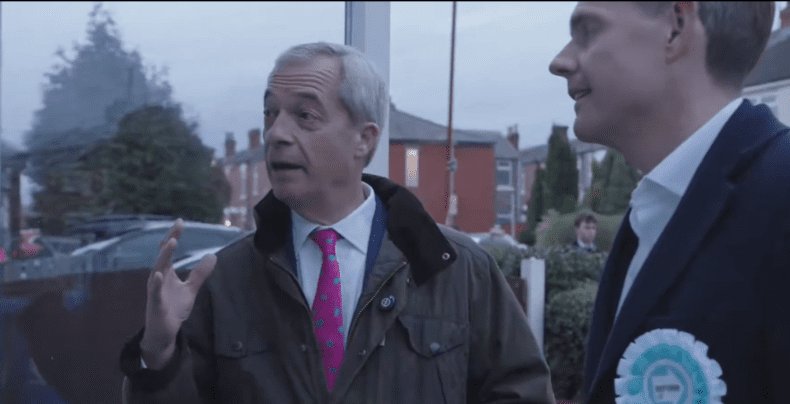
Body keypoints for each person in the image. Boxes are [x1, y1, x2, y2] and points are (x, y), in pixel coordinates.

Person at [119, 42, 555, 403]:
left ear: (364, 140)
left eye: (304, 116)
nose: (276, 133)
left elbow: (521, 392)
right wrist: (158, 356)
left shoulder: (456, 268)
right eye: (271, 114)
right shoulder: (223, 280)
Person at [549, 2, 789, 403]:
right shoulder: (652, 211)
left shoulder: (779, 194)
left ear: (676, 26)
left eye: (588, 31)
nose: (561, 61)